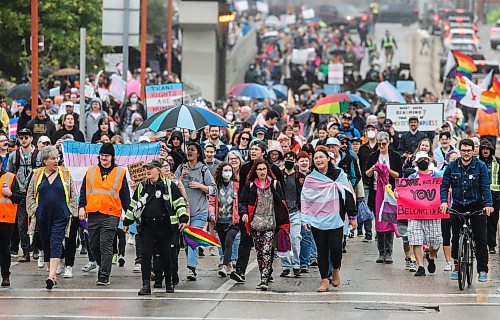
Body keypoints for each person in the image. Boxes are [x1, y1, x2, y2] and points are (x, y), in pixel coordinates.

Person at [124, 159, 187, 295]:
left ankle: (169, 283)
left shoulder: (169, 186)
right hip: (146, 227)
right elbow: (134, 204)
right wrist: (126, 222)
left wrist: (183, 218)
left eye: (150, 168)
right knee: (145, 256)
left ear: (158, 170)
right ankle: (146, 286)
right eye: (146, 168)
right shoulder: (142, 186)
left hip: (165, 227)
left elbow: (179, 202)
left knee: (167, 256)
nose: (147, 170)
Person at [301, 146, 357, 292]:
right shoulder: (310, 178)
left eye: (321, 157)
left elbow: (349, 195)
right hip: (317, 219)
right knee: (322, 250)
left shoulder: (340, 175)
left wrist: (352, 216)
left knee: (336, 248)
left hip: (336, 218)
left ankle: (336, 269)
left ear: (328, 158)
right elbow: (305, 199)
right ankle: (324, 280)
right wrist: (305, 219)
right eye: (316, 158)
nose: (319, 160)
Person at [440, 139, 494, 282]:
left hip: (477, 205)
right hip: (458, 205)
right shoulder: (452, 166)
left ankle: (482, 270)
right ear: (460, 151)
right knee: (456, 237)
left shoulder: (480, 166)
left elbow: (485, 187)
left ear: (473, 151)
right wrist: (444, 202)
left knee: (481, 239)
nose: (466, 153)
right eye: (463, 150)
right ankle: (457, 266)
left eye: (468, 150)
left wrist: (488, 204)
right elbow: (444, 186)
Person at [230, 140, 284, 283]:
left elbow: (280, 193)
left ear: (264, 152)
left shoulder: (274, 169)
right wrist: (242, 212)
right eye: (251, 149)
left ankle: (268, 271)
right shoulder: (245, 168)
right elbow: (242, 191)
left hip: (269, 213)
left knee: (267, 245)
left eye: (256, 149)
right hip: (249, 212)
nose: (252, 151)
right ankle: (240, 271)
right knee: (245, 241)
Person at [78, 143, 131, 286]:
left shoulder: (120, 173)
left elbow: (125, 196)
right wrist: (81, 207)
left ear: (112, 157)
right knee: (93, 244)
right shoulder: (91, 171)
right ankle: (104, 266)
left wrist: (129, 216)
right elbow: (83, 191)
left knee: (105, 245)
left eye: (106, 156)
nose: (104, 158)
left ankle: (104, 276)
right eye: (102, 155)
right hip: (93, 213)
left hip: (111, 214)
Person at [26, 146, 77, 289]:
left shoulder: (65, 174)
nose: (56, 161)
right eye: (53, 158)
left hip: (60, 215)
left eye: (57, 158)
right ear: (45, 161)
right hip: (43, 216)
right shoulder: (37, 175)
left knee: (55, 241)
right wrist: (34, 211)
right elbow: (29, 195)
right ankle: (53, 275)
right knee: (46, 244)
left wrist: (69, 211)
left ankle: (50, 276)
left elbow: (73, 195)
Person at [238, 160, 290, 290]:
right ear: (255, 171)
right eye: (259, 169)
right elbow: (242, 202)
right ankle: (264, 273)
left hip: (270, 224)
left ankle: (264, 279)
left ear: (268, 170)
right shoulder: (250, 186)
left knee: (267, 251)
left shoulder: (275, 184)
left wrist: (283, 223)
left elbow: (282, 203)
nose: (262, 171)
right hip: (255, 224)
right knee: (260, 252)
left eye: (264, 169)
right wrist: (243, 213)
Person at [174, 142, 217, 281]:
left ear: (198, 153)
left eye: (192, 150)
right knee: (187, 240)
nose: (189, 152)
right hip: (184, 213)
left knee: (191, 237)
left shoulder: (203, 169)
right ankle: (191, 265)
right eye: (188, 150)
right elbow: (172, 187)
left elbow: (213, 189)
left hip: (199, 211)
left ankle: (191, 268)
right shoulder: (181, 168)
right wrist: (180, 179)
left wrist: (200, 186)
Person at [404, 152, 443, 277]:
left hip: (433, 213)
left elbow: (444, 189)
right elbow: (404, 191)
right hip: (415, 213)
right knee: (416, 239)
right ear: (416, 162)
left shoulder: (437, 176)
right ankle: (420, 266)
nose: (423, 161)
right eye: (420, 159)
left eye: (425, 159)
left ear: (429, 160)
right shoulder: (411, 178)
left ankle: (431, 256)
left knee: (436, 240)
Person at [365, 132, 402, 264]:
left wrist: (387, 170)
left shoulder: (395, 156)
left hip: (390, 193)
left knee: (390, 220)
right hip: (376, 193)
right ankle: (381, 251)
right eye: (379, 144)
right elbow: (367, 174)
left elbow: (399, 175)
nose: (381, 146)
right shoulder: (373, 156)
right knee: (379, 221)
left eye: (384, 144)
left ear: (388, 143)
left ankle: (389, 252)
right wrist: (375, 168)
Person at [7, 128, 43, 262]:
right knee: (22, 225)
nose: (24, 140)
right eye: (21, 137)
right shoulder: (14, 156)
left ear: (31, 138)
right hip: (20, 194)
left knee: (36, 222)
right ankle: (26, 251)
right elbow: (9, 174)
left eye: (26, 137)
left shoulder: (39, 155)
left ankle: (36, 249)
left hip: (35, 194)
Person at [208, 162, 240, 277]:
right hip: (220, 220)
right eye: (225, 171)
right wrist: (211, 213)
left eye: (229, 170)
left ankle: (225, 266)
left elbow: (240, 201)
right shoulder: (216, 186)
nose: (228, 173)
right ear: (220, 172)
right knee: (222, 243)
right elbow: (211, 202)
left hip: (233, 221)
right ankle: (229, 263)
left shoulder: (236, 185)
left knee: (228, 242)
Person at [279, 152, 305, 278]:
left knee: (295, 238)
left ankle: (296, 265)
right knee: (283, 240)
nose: (289, 160)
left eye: (291, 159)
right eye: (287, 158)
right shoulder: (279, 175)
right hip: (282, 212)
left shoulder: (300, 176)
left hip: (296, 211)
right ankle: (285, 266)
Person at [0, 167, 23, 287]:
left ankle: (5, 276)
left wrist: (9, 194)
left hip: (5, 219)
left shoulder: (10, 177)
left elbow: (19, 198)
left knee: (4, 249)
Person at [478, 139, 500, 254]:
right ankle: (480, 244)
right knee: (480, 222)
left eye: (487, 149)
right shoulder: (476, 161)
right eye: (483, 149)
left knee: (492, 223)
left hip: (495, 197)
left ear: (491, 150)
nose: (485, 151)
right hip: (479, 197)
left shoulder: (497, 162)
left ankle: (491, 245)